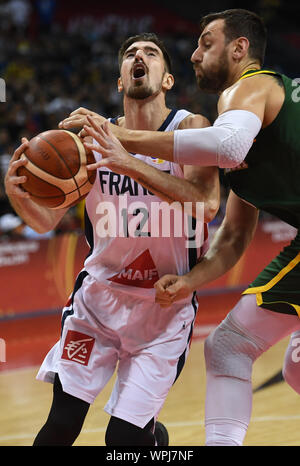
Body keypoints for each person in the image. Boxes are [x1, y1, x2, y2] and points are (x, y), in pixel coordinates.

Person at [59, 9, 300, 446]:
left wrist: (120, 141)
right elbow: (232, 238)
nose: (194, 54)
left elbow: (225, 148)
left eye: (206, 43)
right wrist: (190, 280)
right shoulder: (250, 156)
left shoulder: (251, 87)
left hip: (154, 320)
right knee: (246, 353)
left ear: (239, 48)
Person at [5, 33, 219, 446]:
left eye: (151, 53)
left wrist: (126, 162)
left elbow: (205, 206)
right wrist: (20, 196)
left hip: (163, 311)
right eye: (130, 54)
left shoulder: (191, 128)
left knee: (123, 440)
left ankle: (153, 441)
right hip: (97, 306)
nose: (139, 56)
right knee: (60, 427)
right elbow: (46, 221)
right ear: (121, 81)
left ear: (168, 79)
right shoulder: (86, 142)